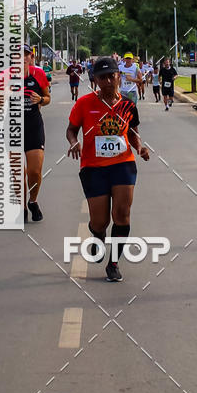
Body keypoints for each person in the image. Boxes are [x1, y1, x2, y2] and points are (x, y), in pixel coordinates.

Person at [66, 56, 150, 282]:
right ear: (95, 80)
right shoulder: (84, 103)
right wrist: (74, 142)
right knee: (100, 221)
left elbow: (132, 132)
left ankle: (113, 263)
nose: (108, 82)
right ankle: (99, 235)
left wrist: (140, 147)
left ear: (118, 77)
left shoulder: (128, 105)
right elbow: (71, 129)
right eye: (102, 78)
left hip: (123, 164)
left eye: (111, 76)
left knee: (122, 214)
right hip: (93, 168)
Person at [22, 44, 51, 222]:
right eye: (18, 55)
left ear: (31, 58)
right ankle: (21, 207)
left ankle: (32, 201)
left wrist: (41, 99)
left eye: (26, 54)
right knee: (19, 172)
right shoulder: (5, 77)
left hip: (34, 127)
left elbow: (48, 98)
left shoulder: (38, 74)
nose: (23, 58)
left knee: (34, 171)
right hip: (13, 129)